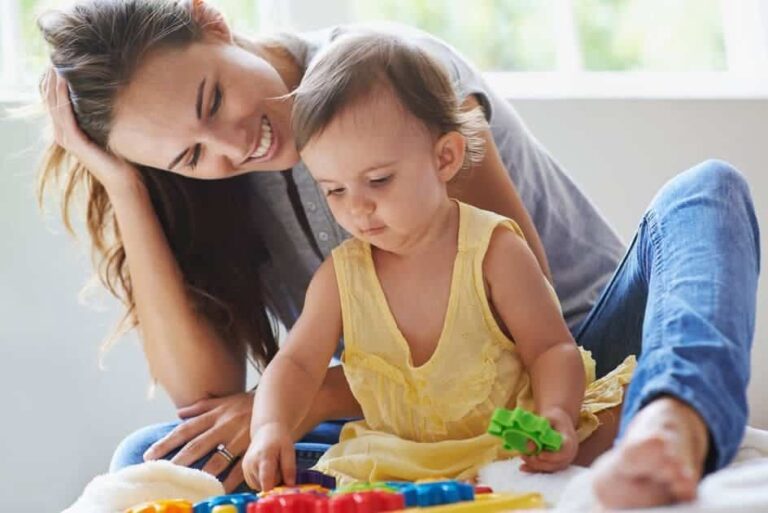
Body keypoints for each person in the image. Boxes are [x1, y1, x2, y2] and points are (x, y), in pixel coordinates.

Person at [37, 0, 759, 508]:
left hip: (572, 356)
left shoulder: (387, 76)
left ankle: (671, 417)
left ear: (212, 21)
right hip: (410, 410)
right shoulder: (215, 184)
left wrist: (311, 395)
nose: (233, 145)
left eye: (212, 99)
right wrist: (125, 185)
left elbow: (499, 329)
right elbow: (204, 394)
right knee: (156, 461)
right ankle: (432, 480)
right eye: (190, 156)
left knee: (706, 192)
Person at [240, 33, 635, 490]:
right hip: (400, 463)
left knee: (621, 409)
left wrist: (556, 416)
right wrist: (269, 427)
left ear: (445, 157)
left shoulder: (493, 251)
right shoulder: (340, 279)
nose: (356, 207)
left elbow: (550, 348)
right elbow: (296, 365)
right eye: (334, 190)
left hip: (505, 450)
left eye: (378, 180)